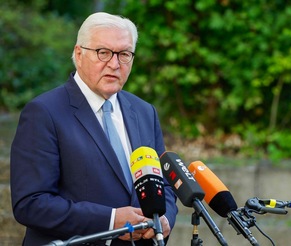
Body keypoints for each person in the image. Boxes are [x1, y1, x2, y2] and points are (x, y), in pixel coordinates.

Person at [10, 12, 178, 246]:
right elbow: (31, 203)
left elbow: (165, 185)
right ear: (79, 54)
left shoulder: (143, 111)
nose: (114, 63)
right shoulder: (44, 112)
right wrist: (110, 220)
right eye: (103, 52)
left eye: (124, 54)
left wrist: (165, 219)